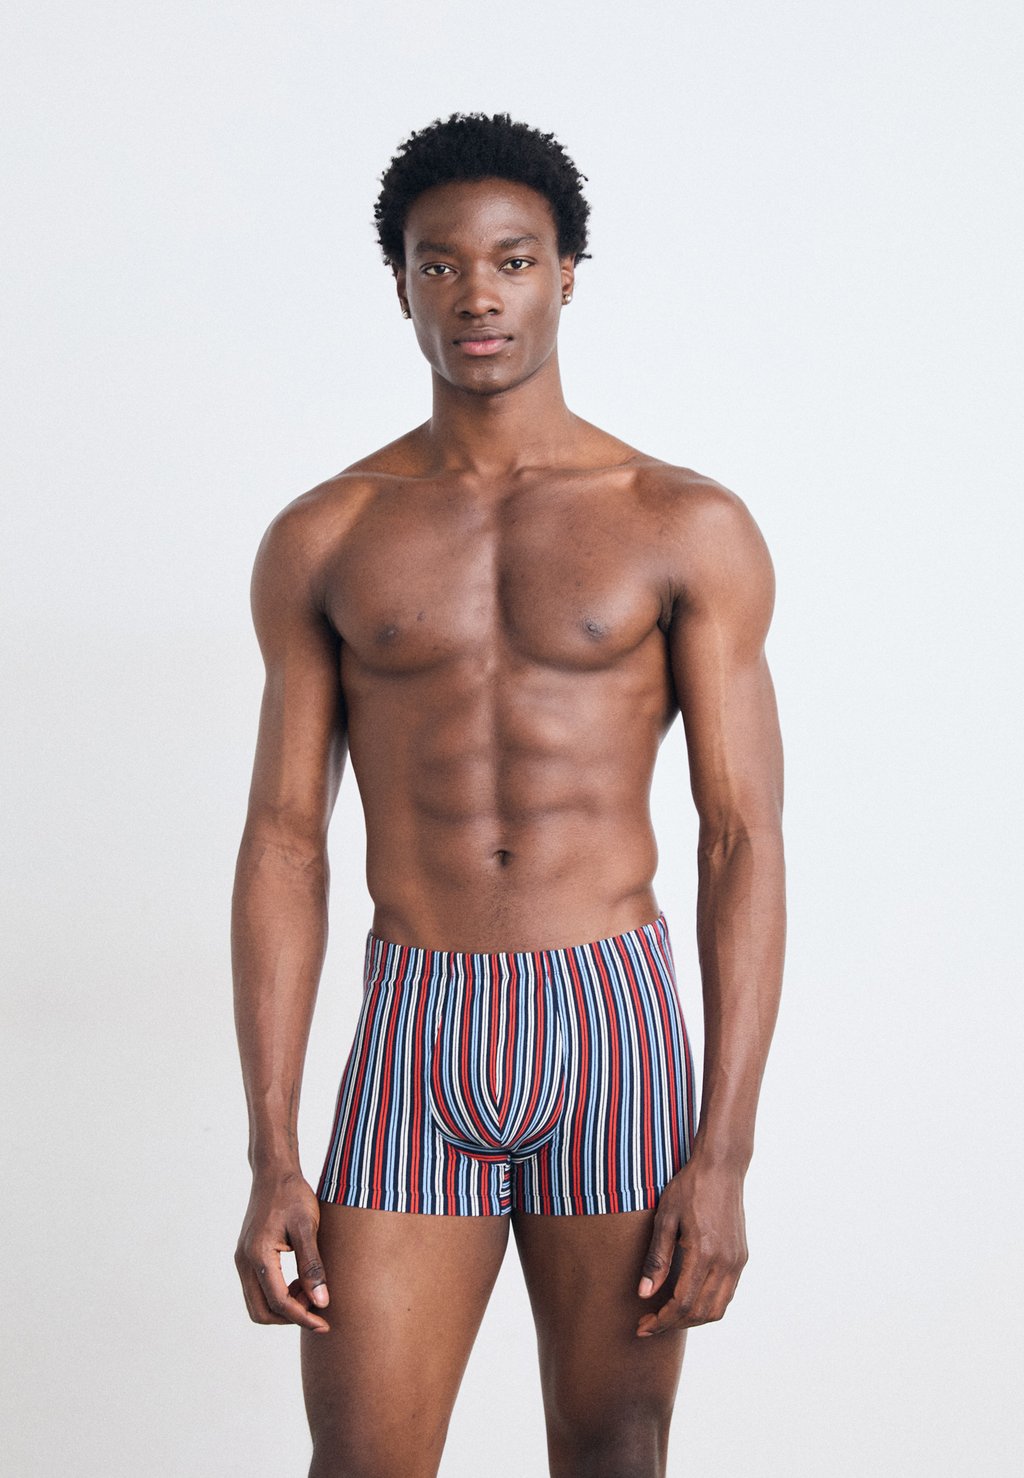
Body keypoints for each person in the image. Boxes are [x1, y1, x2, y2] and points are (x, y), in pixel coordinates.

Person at [232, 112, 785, 1478]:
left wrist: (723, 1155)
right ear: (402, 285)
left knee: (613, 1450)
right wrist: (273, 1150)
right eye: (440, 265)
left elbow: (741, 838)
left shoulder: (682, 522)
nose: (476, 294)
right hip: (417, 1026)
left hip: (612, 1025)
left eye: (513, 260)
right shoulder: (327, 534)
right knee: (362, 1457)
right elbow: (287, 842)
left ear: (567, 274)